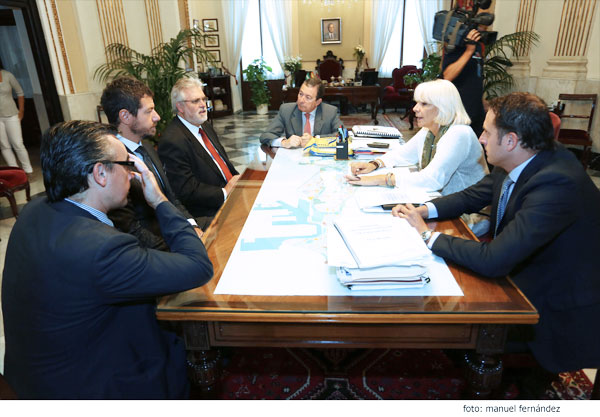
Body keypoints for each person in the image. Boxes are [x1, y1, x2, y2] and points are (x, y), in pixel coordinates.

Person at [393, 92, 600, 377]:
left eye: (487, 132)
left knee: (446, 309)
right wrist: (423, 211)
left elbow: (494, 260)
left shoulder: (556, 183)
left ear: (511, 140)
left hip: (555, 305)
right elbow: (472, 196)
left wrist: (427, 237)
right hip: (526, 266)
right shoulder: (524, 158)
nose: (481, 138)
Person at [2, 120, 213, 399]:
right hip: (91, 386)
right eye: (127, 165)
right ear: (100, 173)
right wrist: (160, 200)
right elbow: (198, 266)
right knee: (188, 341)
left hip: (34, 373)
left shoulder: (35, 209)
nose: (134, 175)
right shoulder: (100, 249)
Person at [348, 79, 488, 231]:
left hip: (468, 216)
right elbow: (403, 155)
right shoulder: (430, 130)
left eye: (424, 104)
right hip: (439, 203)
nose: (415, 109)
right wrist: (374, 164)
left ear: (443, 107)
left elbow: (432, 179)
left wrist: (381, 179)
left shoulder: (459, 133)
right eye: (417, 103)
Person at [100, 77, 203, 250]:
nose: (157, 117)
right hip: (158, 249)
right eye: (149, 111)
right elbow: (133, 230)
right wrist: (181, 249)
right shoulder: (114, 164)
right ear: (125, 116)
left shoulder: (147, 147)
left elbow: (171, 197)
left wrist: (192, 226)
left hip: (179, 231)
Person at [158, 77, 239, 227]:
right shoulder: (172, 141)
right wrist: (225, 192)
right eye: (196, 101)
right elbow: (186, 190)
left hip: (233, 195)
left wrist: (239, 180)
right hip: (209, 211)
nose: (203, 105)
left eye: (204, 99)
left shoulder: (205, 126)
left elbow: (223, 164)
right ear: (180, 107)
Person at [260, 76, 342, 149]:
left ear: (318, 102)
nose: (301, 100)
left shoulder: (329, 112)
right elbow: (265, 136)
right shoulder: (286, 110)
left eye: (308, 97)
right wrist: (284, 142)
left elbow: (342, 135)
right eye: (301, 94)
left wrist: (315, 140)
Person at [442, 29, 486, 137]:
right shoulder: (454, 45)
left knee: (477, 149)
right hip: (459, 111)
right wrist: (469, 51)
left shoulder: (479, 46)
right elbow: (447, 76)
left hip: (477, 111)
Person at [0, 60, 33, 175]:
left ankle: (28, 169)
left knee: (18, 143)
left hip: (11, 115)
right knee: (4, 146)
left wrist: (21, 111)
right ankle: (15, 171)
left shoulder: (7, 75)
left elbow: (20, 92)